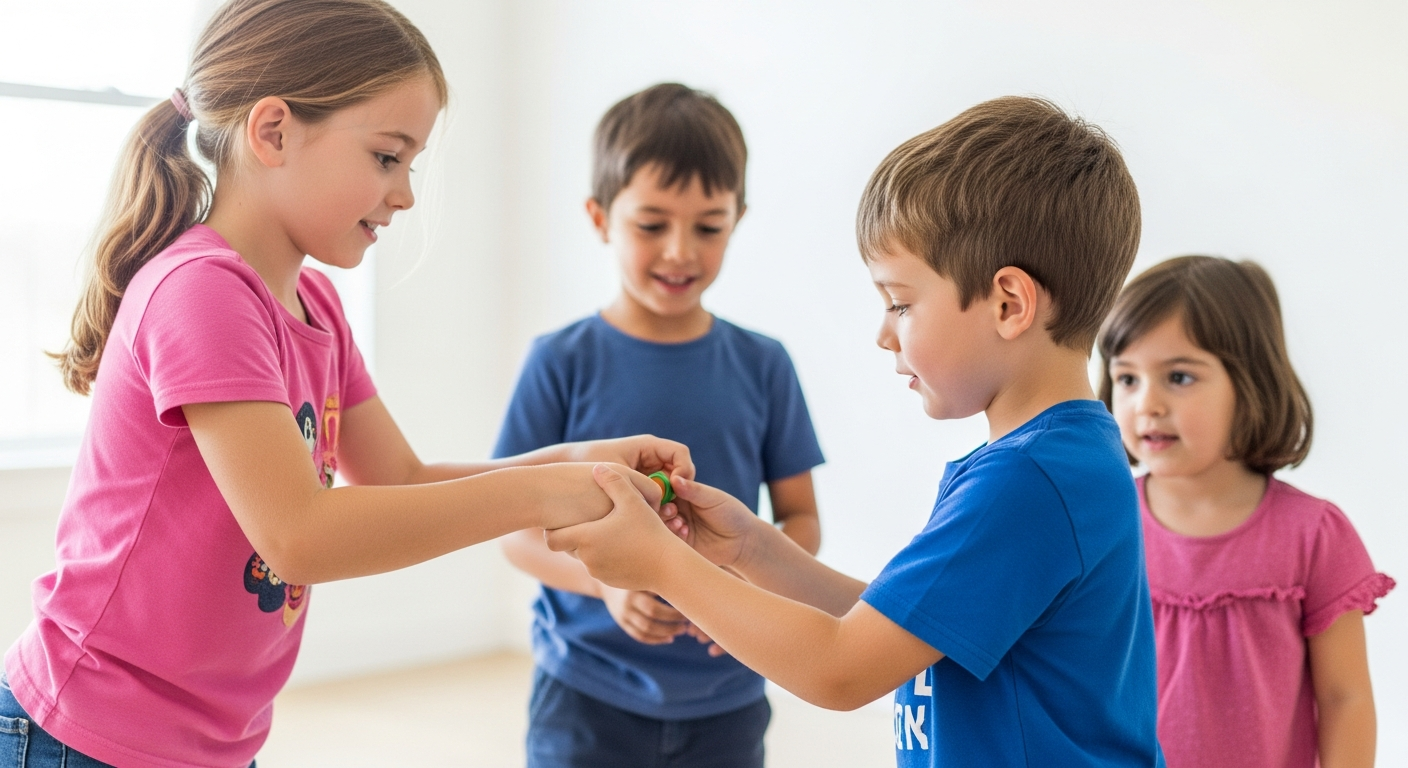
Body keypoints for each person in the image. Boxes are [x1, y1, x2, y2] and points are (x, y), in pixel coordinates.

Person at [0, 3, 686, 767]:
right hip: (88, 730)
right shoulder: (202, 292)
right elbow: (299, 536)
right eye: (387, 157)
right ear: (273, 132)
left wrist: (582, 466)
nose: (406, 195)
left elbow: (400, 479)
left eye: (411, 164)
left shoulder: (315, 305)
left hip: (208, 738)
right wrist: (547, 496)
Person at [544, 96, 1165, 766]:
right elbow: (902, 622)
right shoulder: (1057, 459)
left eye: (900, 302)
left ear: (1008, 303)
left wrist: (665, 564)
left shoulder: (1027, 482)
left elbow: (840, 669)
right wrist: (752, 549)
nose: (883, 333)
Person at [495, 82, 825, 768]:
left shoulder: (764, 364)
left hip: (730, 693)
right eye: (652, 225)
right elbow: (516, 533)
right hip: (583, 692)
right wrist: (609, 584)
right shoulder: (559, 361)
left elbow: (800, 518)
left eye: (708, 226)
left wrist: (742, 584)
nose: (680, 251)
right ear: (599, 217)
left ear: (738, 219)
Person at [1098, 255, 1394, 768]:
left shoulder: (1314, 535)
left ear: (1249, 384)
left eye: (1180, 377)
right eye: (1127, 379)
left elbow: (1345, 699)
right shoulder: (1100, 527)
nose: (1147, 404)